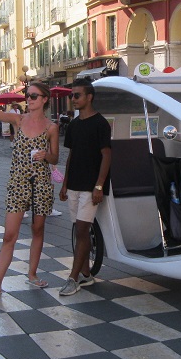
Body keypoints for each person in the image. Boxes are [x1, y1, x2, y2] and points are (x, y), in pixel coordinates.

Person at [0, 62, 59, 298]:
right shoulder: (18, 120)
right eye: (27, 95)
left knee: (37, 229)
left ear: (44, 100)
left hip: (41, 183)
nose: (29, 99)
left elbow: (55, 158)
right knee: (9, 234)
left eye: (33, 96)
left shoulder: (51, 127)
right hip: (18, 183)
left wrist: (45, 155)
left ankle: (32, 274)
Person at [58, 78, 111, 296]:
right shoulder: (73, 125)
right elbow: (71, 156)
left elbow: (106, 155)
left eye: (77, 95)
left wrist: (99, 186)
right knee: (80, 231)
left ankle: (73, 278)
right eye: (72, 95)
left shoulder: (101, 123)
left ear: (89, 97)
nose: (73, 99)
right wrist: (64, 183)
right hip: (74, 185)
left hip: (91, 186)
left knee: (81, 230)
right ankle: (86, 274)